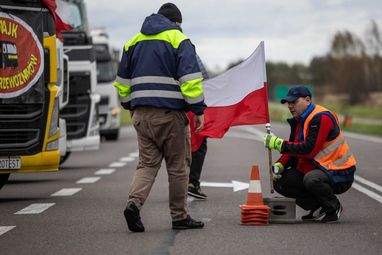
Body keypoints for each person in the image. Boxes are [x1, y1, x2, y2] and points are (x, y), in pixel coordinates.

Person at [114, 3, 206, 232]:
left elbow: (122, 83)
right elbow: (190, 80)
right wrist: (198, 110)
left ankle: (133, 204)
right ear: (176, 22)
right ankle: (179, 217)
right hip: (170, 116)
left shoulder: (132, 42)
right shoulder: (178, 39)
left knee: (146, 164)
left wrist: (129, 106)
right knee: (178, 167)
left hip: (141, 115)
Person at [263, 86, 356, 223]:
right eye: (288, 103)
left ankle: (333, 207)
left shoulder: (322, 117)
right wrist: (280, 164)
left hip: (339, 172)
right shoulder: (300, 119)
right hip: (321, 168)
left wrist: (279, 144)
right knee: (279, 180)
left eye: (294, 102)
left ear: (307, 100)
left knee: (312, 179)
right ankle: (319, 207)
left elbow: (308, 150)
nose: (290, 106)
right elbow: (295, 147)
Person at [188, 54, 209, 200]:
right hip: (188, 105)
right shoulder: (186, 48)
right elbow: (204, 79)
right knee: (199, 142)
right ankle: (192, 183)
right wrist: (199, 109)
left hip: (159, 106)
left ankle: (177, 186)